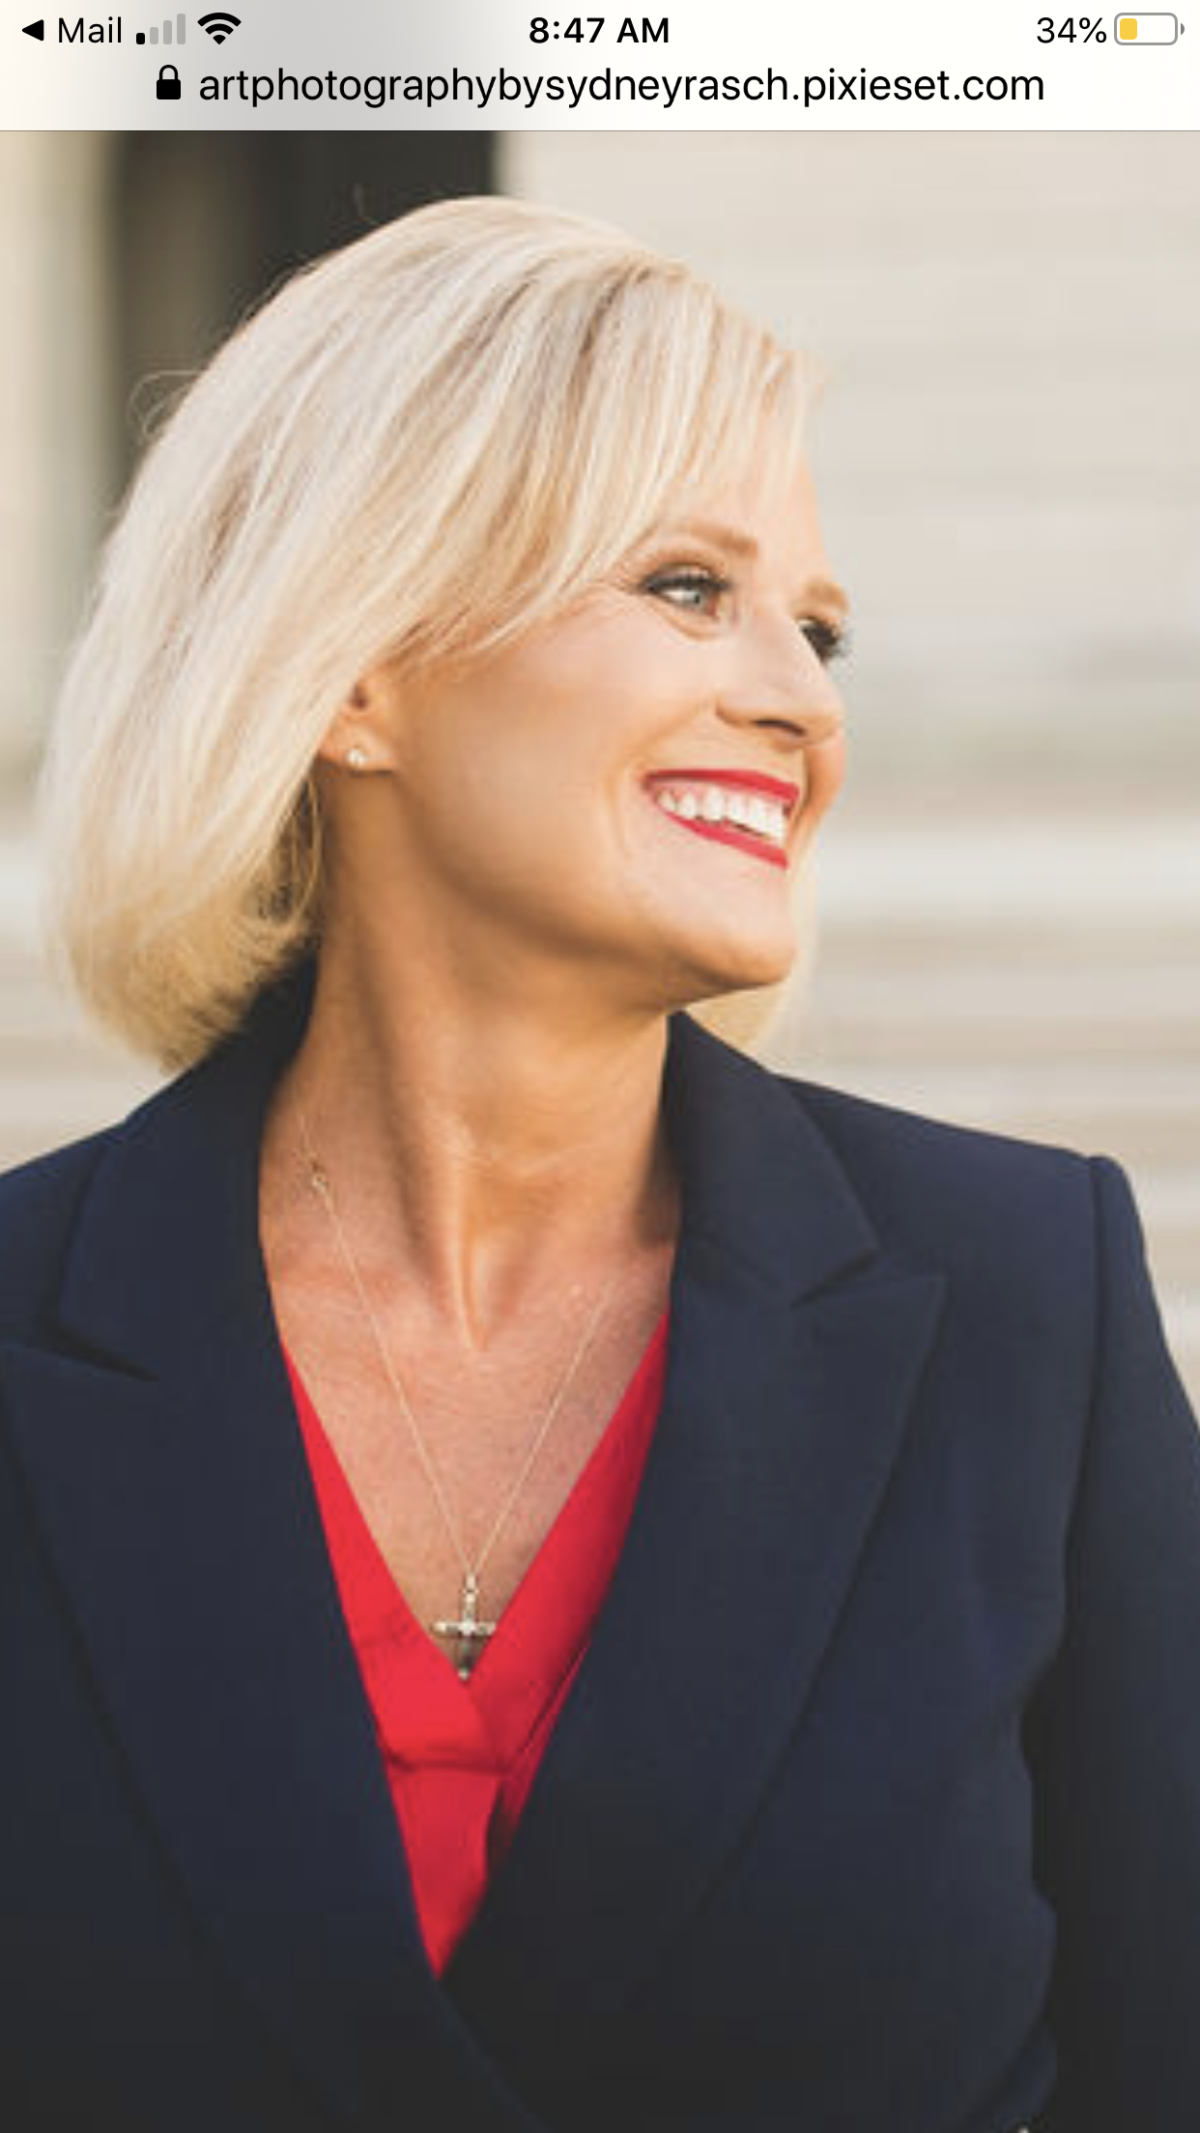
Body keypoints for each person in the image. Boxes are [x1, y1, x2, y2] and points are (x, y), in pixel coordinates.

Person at [2, 195, 1197, 2133]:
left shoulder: (1025, 1305)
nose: (804, 701)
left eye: (818, 627)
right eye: (686, 587)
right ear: (354, 670)